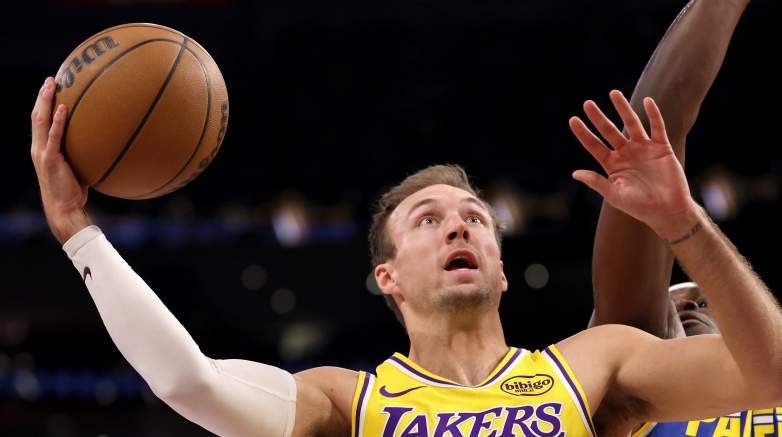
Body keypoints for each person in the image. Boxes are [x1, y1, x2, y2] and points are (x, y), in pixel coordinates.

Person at [30, 66, 782, 436]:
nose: (458, 227)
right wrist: (78, 232)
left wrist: (687, 224)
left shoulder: (592, 364)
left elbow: (771, 374)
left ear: (500, 265)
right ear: (385, 276)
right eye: (428, 219)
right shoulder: (349, 403)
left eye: (475, 218)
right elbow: (188, 380)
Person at [587, 1, 782, 436]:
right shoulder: (632, 393)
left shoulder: (770, 363)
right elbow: (659, 119)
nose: (692, 302)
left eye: (705, 301)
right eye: (677, 301)